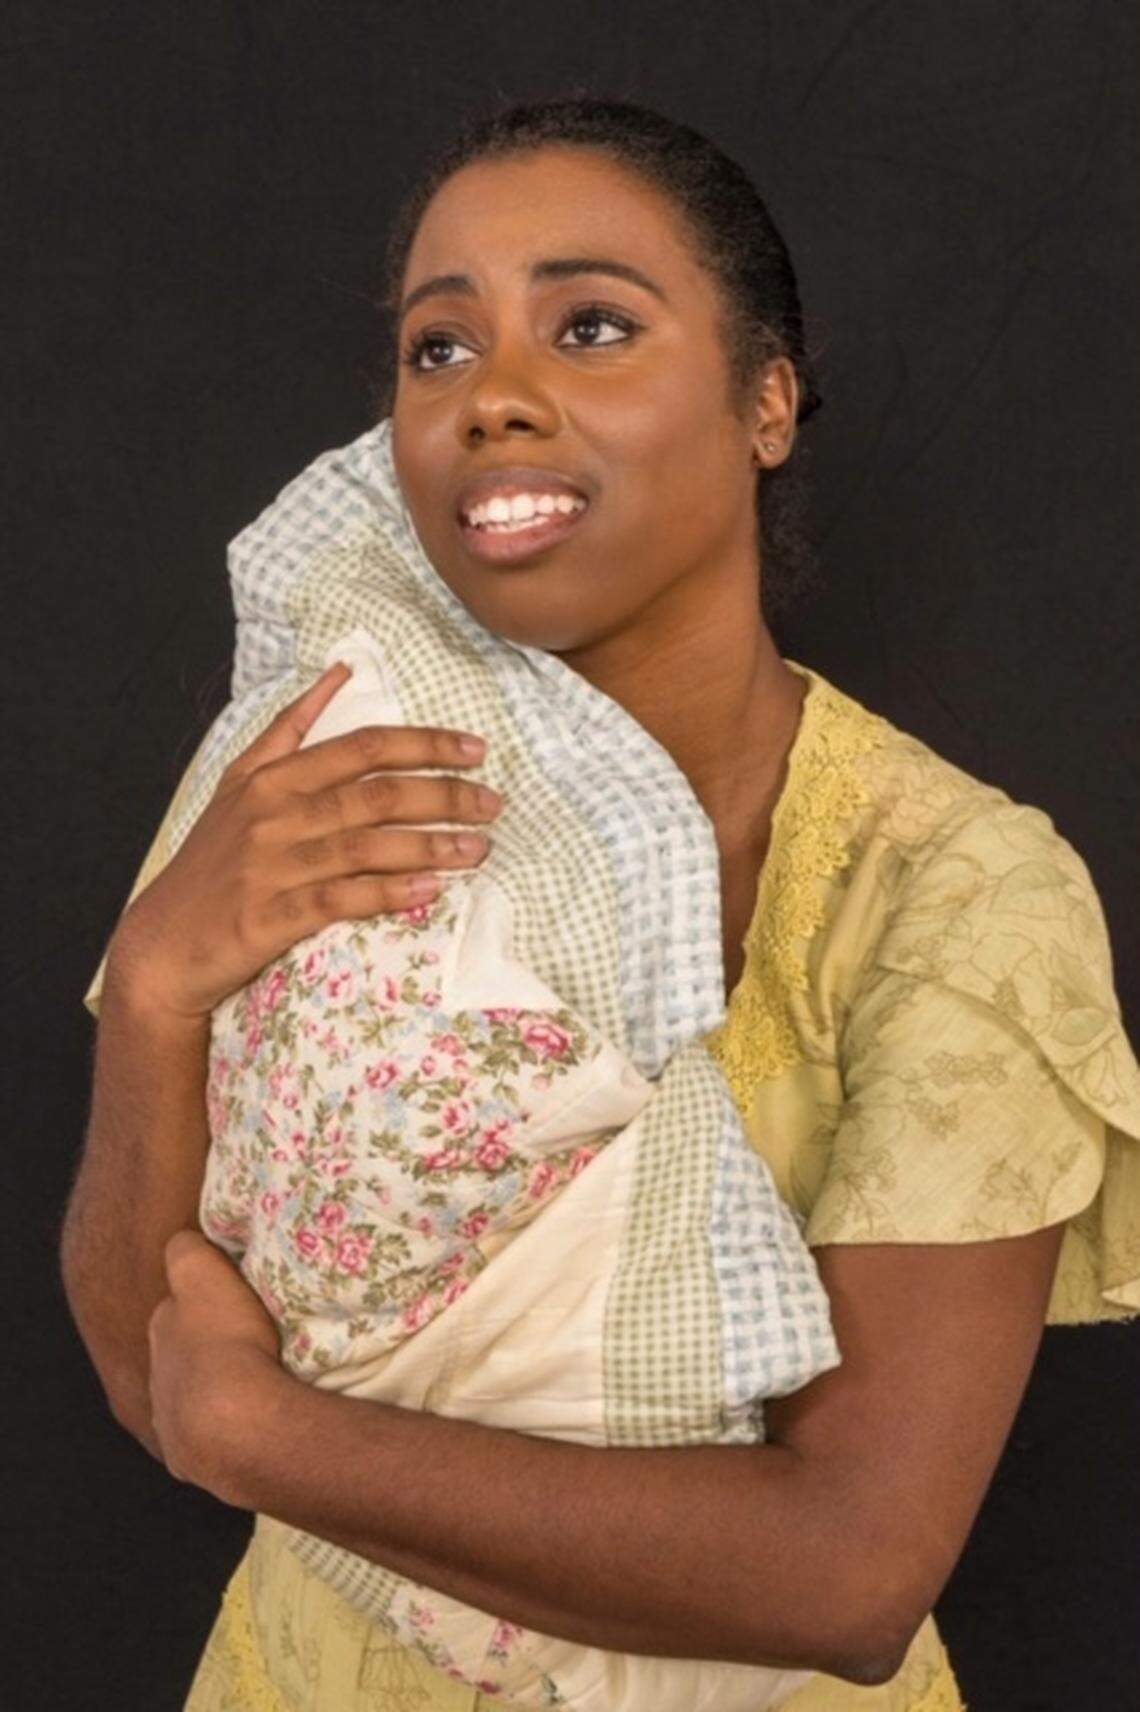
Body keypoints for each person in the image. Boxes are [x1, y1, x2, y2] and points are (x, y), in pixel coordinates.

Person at [62, 96, 1140, 1712]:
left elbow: (850, 1571)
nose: (493, 396)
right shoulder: (319, 767)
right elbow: (147, 1362)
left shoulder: (950, 890)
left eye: (591, 326)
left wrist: (269, 1435)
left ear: (766, 400)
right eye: (438, 349)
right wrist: (154, 988)